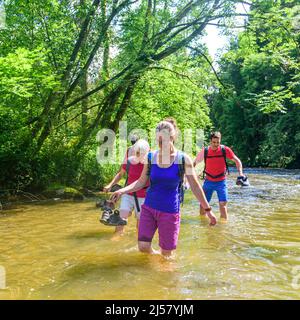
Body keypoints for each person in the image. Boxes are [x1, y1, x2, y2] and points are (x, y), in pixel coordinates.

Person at [111, 120, 216, 257]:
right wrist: (122, 190)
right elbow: (141, 181)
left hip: (169, 211)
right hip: (149, 208)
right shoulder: (151, 157)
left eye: (164, 140)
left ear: (173, 137)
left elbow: (195, 187)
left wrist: (207, 210)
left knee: (167, 256)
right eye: (159, 141)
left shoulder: (183, 160)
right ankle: (155, 260)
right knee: (143, 246)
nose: (161, 144)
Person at [193, 131, 245, 220]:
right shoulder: (205, 151)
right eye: (213, 142)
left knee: (223, 205)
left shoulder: (225, 150)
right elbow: (194, 163)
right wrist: (191, 175)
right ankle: (202, 223)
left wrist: (241, 173)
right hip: (208, 181)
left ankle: (223, 227)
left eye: (218, 142)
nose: (216, 144)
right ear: (210, 141)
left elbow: (237, 160)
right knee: (203, 205)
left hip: (221, 182)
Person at [104, 139, 150, 234]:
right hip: (128, 193)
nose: (138, 156)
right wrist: (110, 185)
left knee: (140, 225)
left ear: (147, 152)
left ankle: (138, 243)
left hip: (144, 196)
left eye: (141, 153)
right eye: (137, 153)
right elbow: (120, 174)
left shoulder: (151, 163)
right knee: (121, 217)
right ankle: (117, 238)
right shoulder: (129, 161)